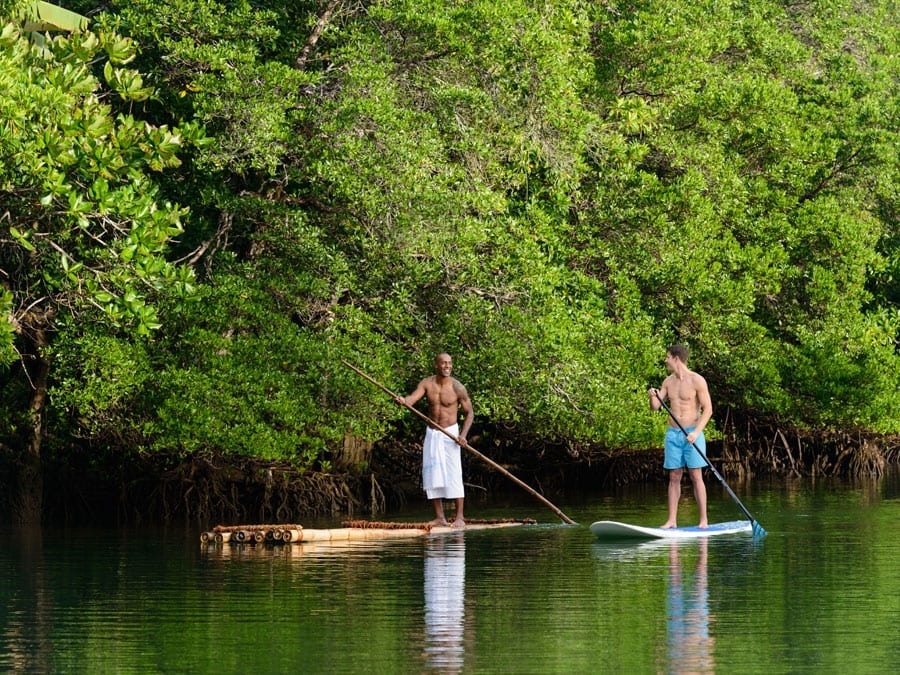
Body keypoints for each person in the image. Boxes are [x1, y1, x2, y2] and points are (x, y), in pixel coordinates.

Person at [397, 353, 473, 528]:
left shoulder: (457, 387)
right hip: (433, 433)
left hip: (451, 434)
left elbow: (470, 413)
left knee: (454, 473)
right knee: (432, 474)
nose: (447, 366)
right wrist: (404, 401)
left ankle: (460, 517)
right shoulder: (427, 383)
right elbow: (412, 399)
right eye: (444, 363)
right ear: (436, 365)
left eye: (449, 363)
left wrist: (463, 435)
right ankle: (440, 517)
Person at [648, 344, 712, 529]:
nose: (665, 360)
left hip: (693, 433)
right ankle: (672, 521)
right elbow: (655, 407)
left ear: (676, 358)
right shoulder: (668, 382)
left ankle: (703, 521)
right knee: (674, 476)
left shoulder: (697, 380)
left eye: (667, 357)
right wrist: (653, 396)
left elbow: (708, 410)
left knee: (695, 475)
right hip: (673, 435)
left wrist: (696, 432)